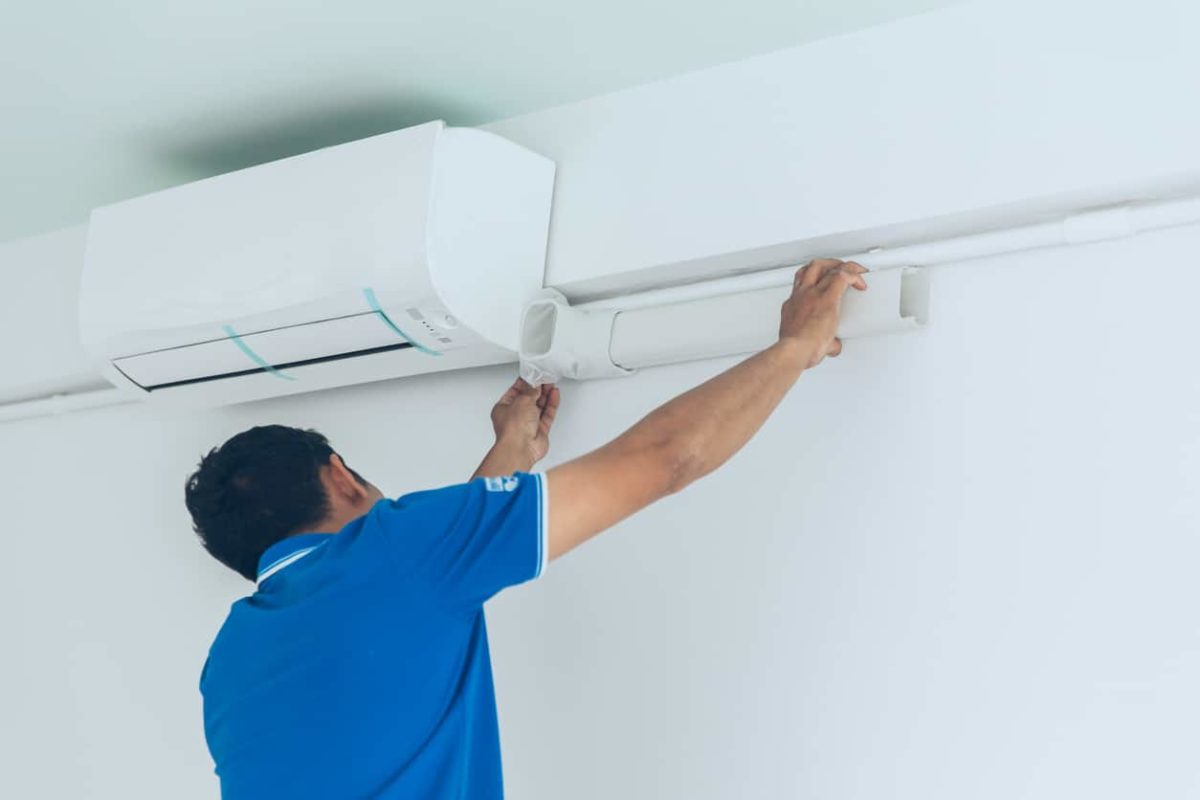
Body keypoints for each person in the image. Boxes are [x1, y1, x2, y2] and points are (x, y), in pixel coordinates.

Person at [188, 258, 869, 798]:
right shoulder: (396, 555)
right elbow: (665, 460)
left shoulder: (231, 658)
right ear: (340, 476)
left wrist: (513, 457)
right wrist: (794, 348)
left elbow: (430, 590)